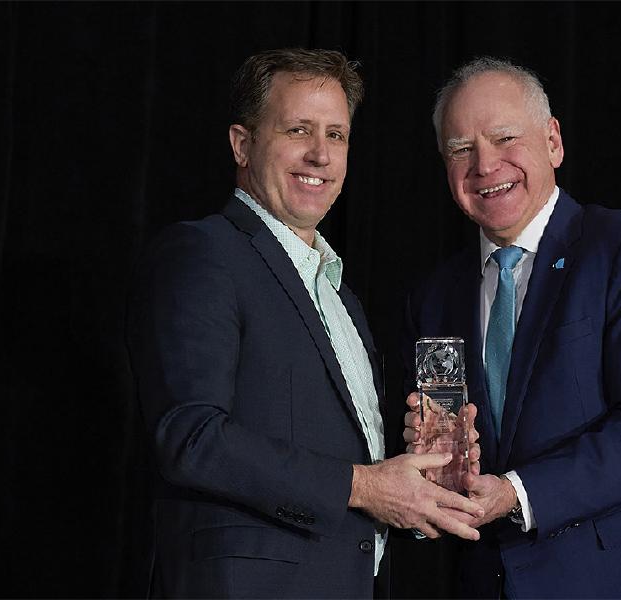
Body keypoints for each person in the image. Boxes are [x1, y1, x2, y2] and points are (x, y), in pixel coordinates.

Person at [126, 48, 484, 599]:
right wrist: (365, 485)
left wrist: (417, 474)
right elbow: (191, 438)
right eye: (298, 130)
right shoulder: (203, 254)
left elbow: (338, 459)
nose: (320, 154)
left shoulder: (341, 296)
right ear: (242, 144)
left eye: (336, 135)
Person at [401, 57, 621, 598]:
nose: (485, 165)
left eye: (505, 138)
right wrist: (434, 463)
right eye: (461, 149)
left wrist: (513, 493)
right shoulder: (434, 297)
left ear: (552, 142)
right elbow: (451, 452)